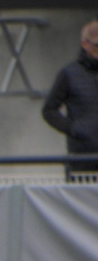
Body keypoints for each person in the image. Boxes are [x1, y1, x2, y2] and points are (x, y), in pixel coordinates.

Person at [41, 20, 98, 178]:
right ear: (85, 44)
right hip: (83, 157)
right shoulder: (69, 74)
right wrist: (74, 129)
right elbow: (49, 110)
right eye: (97, 45)